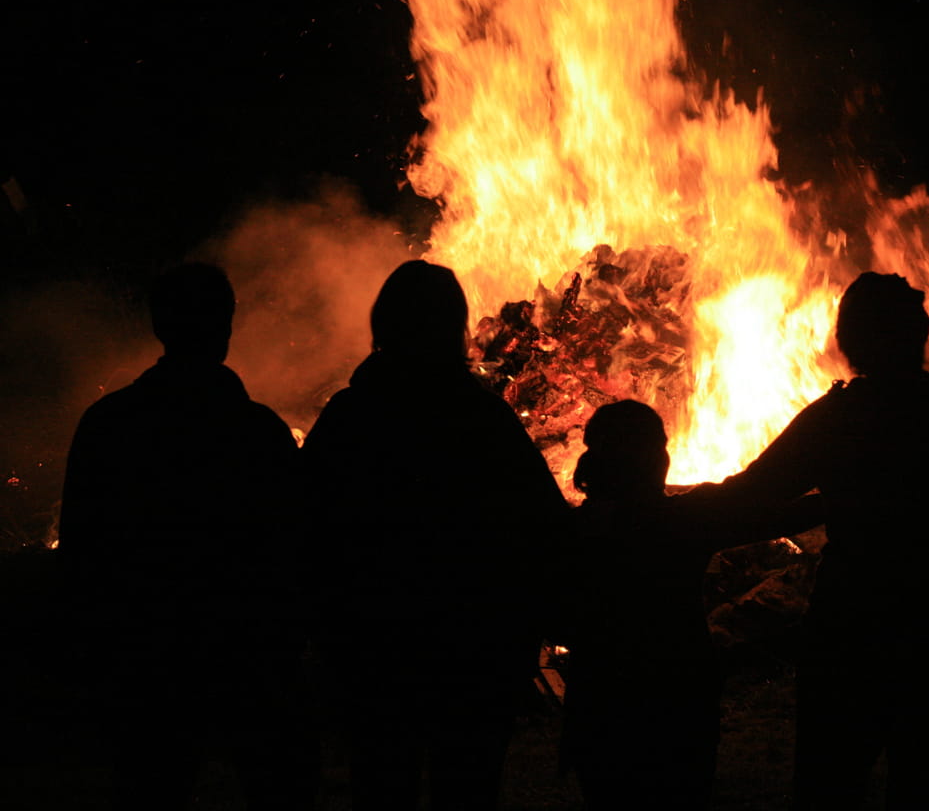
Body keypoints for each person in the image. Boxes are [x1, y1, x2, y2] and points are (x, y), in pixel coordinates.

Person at [708, 271, 929, 810]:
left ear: (848, 342)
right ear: (920, 333)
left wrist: (658, 512)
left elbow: (754, 493)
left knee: (829, 783)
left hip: (853, 624)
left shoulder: (836, 417)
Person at [303, 259, 570, 811]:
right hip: (474, 652)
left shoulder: (350, 417)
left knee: (381, 782)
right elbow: (546, 525)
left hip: (374, 648)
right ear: (455, 328)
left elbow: (304, 524)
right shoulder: (482, 418)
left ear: (384, 327)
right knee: (467, 786)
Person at [59, 262, 317, 810]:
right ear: (226, 327)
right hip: (247, 656)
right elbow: (297, 549)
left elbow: (81, 552)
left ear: (158, 324)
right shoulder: (259, 433)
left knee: (150, 787)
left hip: (145, 656)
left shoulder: (108, 427)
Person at [558, 399, 823, 810]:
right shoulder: (684, 520)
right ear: (653, 459)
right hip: (677, 692)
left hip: (600, 696)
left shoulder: (573, 530)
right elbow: (763, 506)